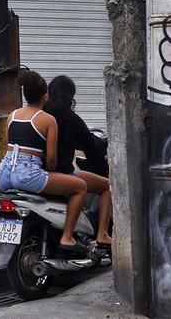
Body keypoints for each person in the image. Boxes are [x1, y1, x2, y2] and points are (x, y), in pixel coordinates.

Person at [0, 70, 89, 253]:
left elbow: (11, 146)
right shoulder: (48, 120)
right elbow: (52, 158)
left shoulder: (12, 115)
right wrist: (51, 170)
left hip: (4, 174)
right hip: (28, 174)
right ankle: (67, 237)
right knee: (81, 187)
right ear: (45, 96)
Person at [43, 75, 113, 246]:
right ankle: (102, 234)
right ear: (70, 97)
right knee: (106, 187)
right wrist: (101, 168)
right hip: (62, 173)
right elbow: (90, 146)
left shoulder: (40, 114)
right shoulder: (69, 118)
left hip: (38, 173)